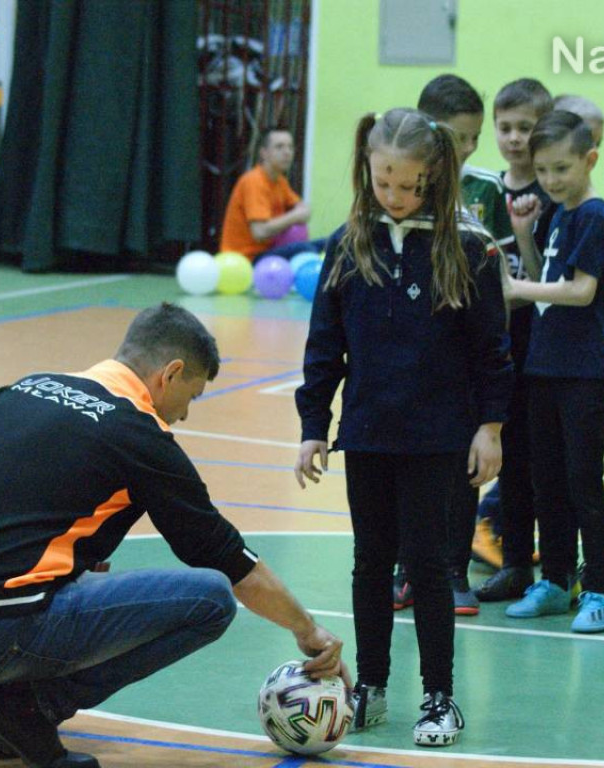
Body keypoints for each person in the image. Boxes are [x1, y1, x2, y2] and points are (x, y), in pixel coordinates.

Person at [0, 302, 349, 768]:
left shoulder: (21, 389)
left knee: (60, 564)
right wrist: (307, 629)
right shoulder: (137, 433)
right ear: (170, 373)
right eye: (192, 396)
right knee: (211, 600)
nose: (185, 415)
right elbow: (229, 560)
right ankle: (28, 711)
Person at [294, 108, 513, 746]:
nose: (393, 195)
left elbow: (492, 351)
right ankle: (371, 686)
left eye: (407, 184)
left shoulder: (468, 247)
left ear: (434, 175)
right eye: (382, 181)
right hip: (368, 433)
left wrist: (490, 427)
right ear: (366, 170)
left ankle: (440, 696)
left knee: (427, 564)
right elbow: (324, 344)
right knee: (370, 563)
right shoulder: (347, 244)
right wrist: (314, 425)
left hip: (436, 438)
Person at [385, 73, 513, 617]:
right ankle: (404, 570)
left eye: (473, 137)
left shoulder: (485, 190)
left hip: (461, 359)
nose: (466, 148)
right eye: (456, 137)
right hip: (406, 358)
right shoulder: (395, 187)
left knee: (462, 470)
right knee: (400, 469)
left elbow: (503, 274)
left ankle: (454, 571)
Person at [503, 110, 604, 634]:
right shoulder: (556, 213)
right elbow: (543, 278)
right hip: (545, 365)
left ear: (589, 160)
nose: (550, 180)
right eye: (543, 170)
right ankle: (554, 580)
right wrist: (524, 234)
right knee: (545, 480)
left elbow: (581, 290)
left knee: (582, 481)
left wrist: (517, 289)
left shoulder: (594, 215)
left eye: (561, 168)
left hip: (584, 372)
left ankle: (600, 590)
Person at [473, 78, 556, 604]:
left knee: (525, 459)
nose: (514, 138)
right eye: (505, 127)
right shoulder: (483, 191)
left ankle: (524, 563)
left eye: (526, 127)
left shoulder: (552, 196)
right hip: (483, 345)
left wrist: (506, 293)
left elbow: (542, 281)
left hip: (530, 345)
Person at [219, 127, 321, 262]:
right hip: (246, 258)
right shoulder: (254, 181)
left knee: (330, 243)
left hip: (270, 251)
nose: (287, 152)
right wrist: (294, 216)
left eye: (290, 147)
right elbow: (259, 232)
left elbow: (304, 209)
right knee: (305, 249)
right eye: (279, 147)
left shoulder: (280, 181)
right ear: (264, 153)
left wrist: (299, 213)